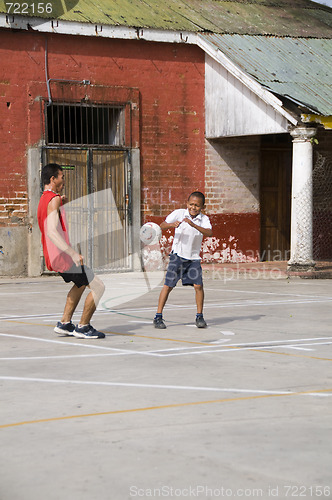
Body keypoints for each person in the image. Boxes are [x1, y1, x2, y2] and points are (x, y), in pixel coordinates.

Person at [37, 163, 105, 339]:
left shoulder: (45, 199)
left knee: (81, 283)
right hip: (63, 256)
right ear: (53, 179)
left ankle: (65, 323)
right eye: (62, 176)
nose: (64, 180)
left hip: (54, 257)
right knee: (98, 287)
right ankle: (83, 327)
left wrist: (60, 204)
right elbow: (51, 231)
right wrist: (72, 253)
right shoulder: (53, 199)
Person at [153, 191, 212, 329]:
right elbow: (161, 225)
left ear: (202, 207)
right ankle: (158, 316)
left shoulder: (204, 219)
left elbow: (209, 232)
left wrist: (193, 225)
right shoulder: (179, 213)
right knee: (168, 286)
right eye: (191, 204)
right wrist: (172, 224)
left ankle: (199, 316)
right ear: (187, 203)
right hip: (177, 256)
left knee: (198, 286)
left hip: (193, 258)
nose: (193, 207)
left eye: (197, 205)